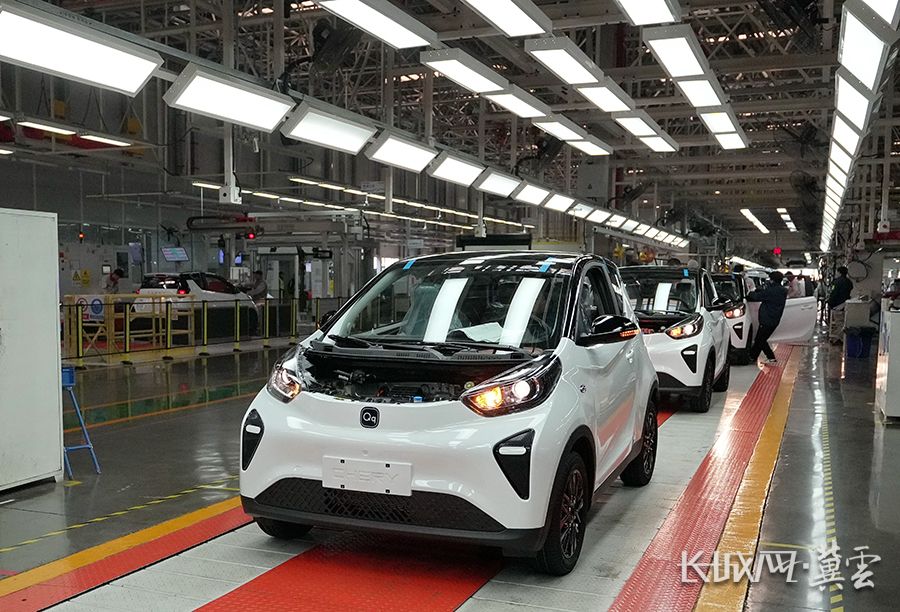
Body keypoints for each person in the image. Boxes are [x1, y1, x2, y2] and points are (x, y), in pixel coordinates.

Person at [746, 270, 788, 365]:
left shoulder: (771, 291)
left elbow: (756, 297)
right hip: (774, 319)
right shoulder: (782, 290)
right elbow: (766, 294)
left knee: (760, 340)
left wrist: (749, 292)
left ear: (772, 280)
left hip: (767, 319)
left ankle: (764, 357)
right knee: (761, 339)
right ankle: (757, 356)